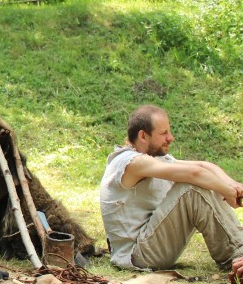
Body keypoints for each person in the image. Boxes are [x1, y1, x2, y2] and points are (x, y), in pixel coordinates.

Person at [100, 104, 243, 271]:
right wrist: (228, 192)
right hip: (138, 255)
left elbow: (204, 166)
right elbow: (194, 174)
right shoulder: (131, 162)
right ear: (143, 136)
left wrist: (232, 185)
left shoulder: (152, 159)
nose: (171, 137)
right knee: (192, 188)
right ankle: (238, 255)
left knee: (203, 181)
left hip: (149, 246)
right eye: (163, 133)